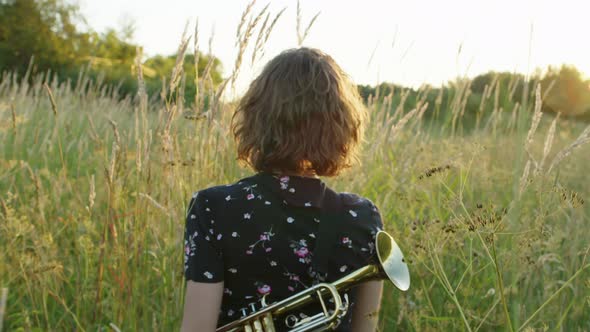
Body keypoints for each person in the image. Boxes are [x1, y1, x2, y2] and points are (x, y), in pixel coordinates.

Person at [181, 47, 385, 332]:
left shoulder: (213, 207)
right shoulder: (362, 216)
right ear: (341, 126)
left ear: (256, 118)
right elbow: (365, 328)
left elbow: (196, 327)